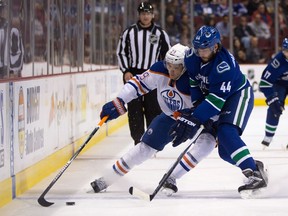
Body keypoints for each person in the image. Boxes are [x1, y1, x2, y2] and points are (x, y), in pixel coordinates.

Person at [90, 44, 216, 194]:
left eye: (176, 67)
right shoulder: (159, 69)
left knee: (208, 142)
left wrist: (213, 121)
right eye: (169, 65)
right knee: (144, 148)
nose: (171, 70)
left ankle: (171, 177)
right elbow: (138, 84)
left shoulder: (195, 77)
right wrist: (120, 100)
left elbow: (212, 100)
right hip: (169, 117)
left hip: (194, 119)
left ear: (186, 65)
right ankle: (108, 178)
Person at [168, 26, 268, 198]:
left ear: (215, 46)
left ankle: (254, 174)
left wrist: (196, 118)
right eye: (198, 48)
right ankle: (252, 164)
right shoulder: (192, 57)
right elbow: (194, 82)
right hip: (215, 98)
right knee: (224, 152)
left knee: (226, 131)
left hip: (237, 95)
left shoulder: (224, 65)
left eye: (205, 49)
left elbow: (216, 101)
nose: (201, 52)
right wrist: (198, 105)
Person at [116, 2, 170, 145]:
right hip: (133, 74)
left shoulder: (160, 34)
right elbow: (121, 52)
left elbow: (167, 56)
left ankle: (152, 140)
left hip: (153, 74)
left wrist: (165, 74)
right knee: (134, 109)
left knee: (154, 108)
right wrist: (125, 70)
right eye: (143, 13)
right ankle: (137, 140)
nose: (146, 16)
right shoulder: (129, 32)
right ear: (139, 15)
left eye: (148, 13)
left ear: (152, 15)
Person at [259, 38, 288, 147]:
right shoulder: (277, 62)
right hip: (279, 84)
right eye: (286, 51)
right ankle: (268, 136)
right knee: (275, 108)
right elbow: (264, 83)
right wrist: (272, 98)